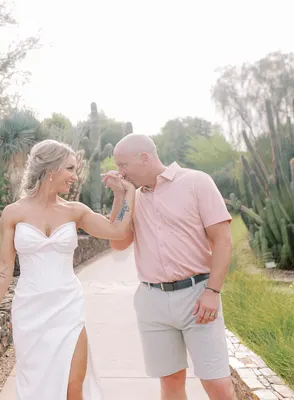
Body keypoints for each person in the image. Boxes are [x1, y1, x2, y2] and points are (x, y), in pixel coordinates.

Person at [0, 139, 136, 400]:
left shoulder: (75, 211)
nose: (75, 176)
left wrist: (124, 194)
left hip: (68, 306)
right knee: (37, 387)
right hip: (30, 309)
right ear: (50, 169)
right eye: (70, 168)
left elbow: (117, 231)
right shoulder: (13, 213)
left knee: (74, 384)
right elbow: (4, 266)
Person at [102, 133, 237, 400]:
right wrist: (120, 195)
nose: (120, 172)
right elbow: (117, 243)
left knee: (218, 384)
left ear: (144, 158)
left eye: (123, 165)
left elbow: (222, 240)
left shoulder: (197, 182)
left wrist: (213, 291)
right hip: (152, 300)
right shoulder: (133, 197)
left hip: (197, 296)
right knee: (170, 382)